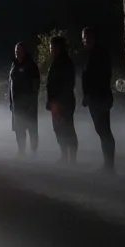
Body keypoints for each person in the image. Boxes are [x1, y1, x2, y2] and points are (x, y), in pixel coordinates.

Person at [81, 26, 116, 172]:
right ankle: (108, 164)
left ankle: (109, 165)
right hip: (95, 97)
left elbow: (101, 76)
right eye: (83, 38)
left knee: (104, 130)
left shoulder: (99, 54)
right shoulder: (90, 54)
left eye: (87, 37)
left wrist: (90, 93)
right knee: (101, 130)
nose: (85, 40)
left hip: (100, 96)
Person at [44, 35, 78, 163]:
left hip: (64, 102)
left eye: (53, 47)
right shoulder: (57, 62)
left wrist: (59, 101)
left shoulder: (65, 62)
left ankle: (72, 159)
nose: (51, 49)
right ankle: (64, 156)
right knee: (59, 129)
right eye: (51, 47)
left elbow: (67, 84)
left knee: (67, 128)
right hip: (56, 102)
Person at [8, 42, 41, 155]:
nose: (17, 52)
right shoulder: (14, 65)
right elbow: (10, 84)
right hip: (16, 104)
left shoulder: (31, 66)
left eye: (19, 50)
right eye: (16, 50)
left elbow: (36, 86)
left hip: (29, 103)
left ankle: (33, 152)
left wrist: (32, 103)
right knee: (19, 129)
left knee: (31, 128)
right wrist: (11, 102)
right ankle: (21, 151)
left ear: (25, 51)